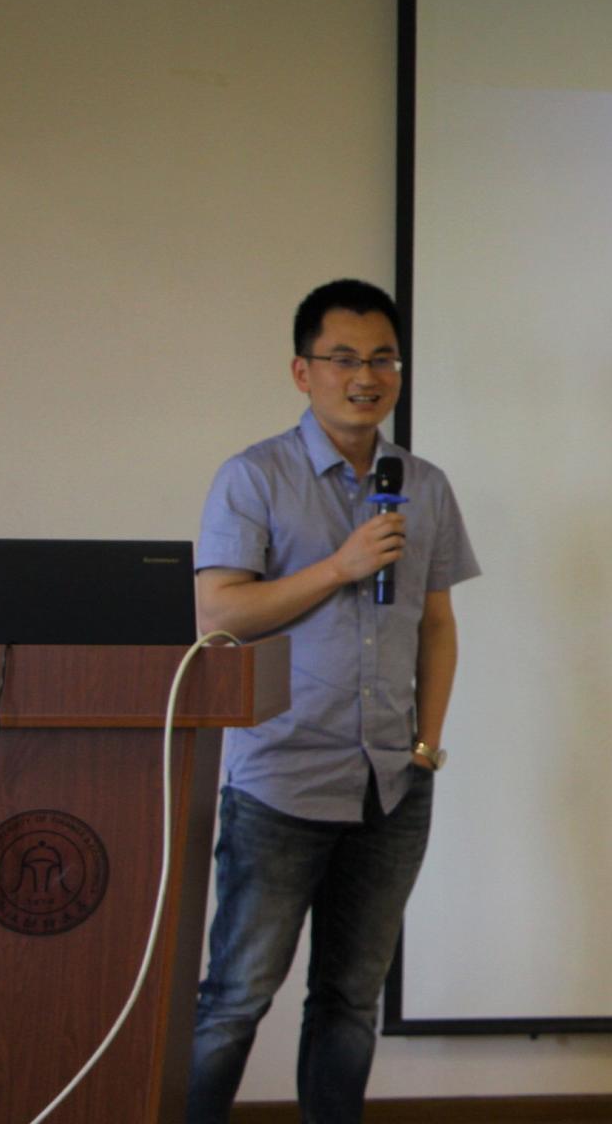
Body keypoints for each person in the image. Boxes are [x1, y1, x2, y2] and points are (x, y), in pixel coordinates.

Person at [186, 279, 479, 1124]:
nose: (366, 376)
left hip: (391, 784)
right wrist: (339, 568)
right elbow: (219, 616)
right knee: (236, 997)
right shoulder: (254, 476)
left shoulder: (422, 484)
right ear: (301, 370)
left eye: (383, 359)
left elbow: (436, 626)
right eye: (344, 358)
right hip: (280, 780)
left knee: (351, 1000)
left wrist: (424, 748)